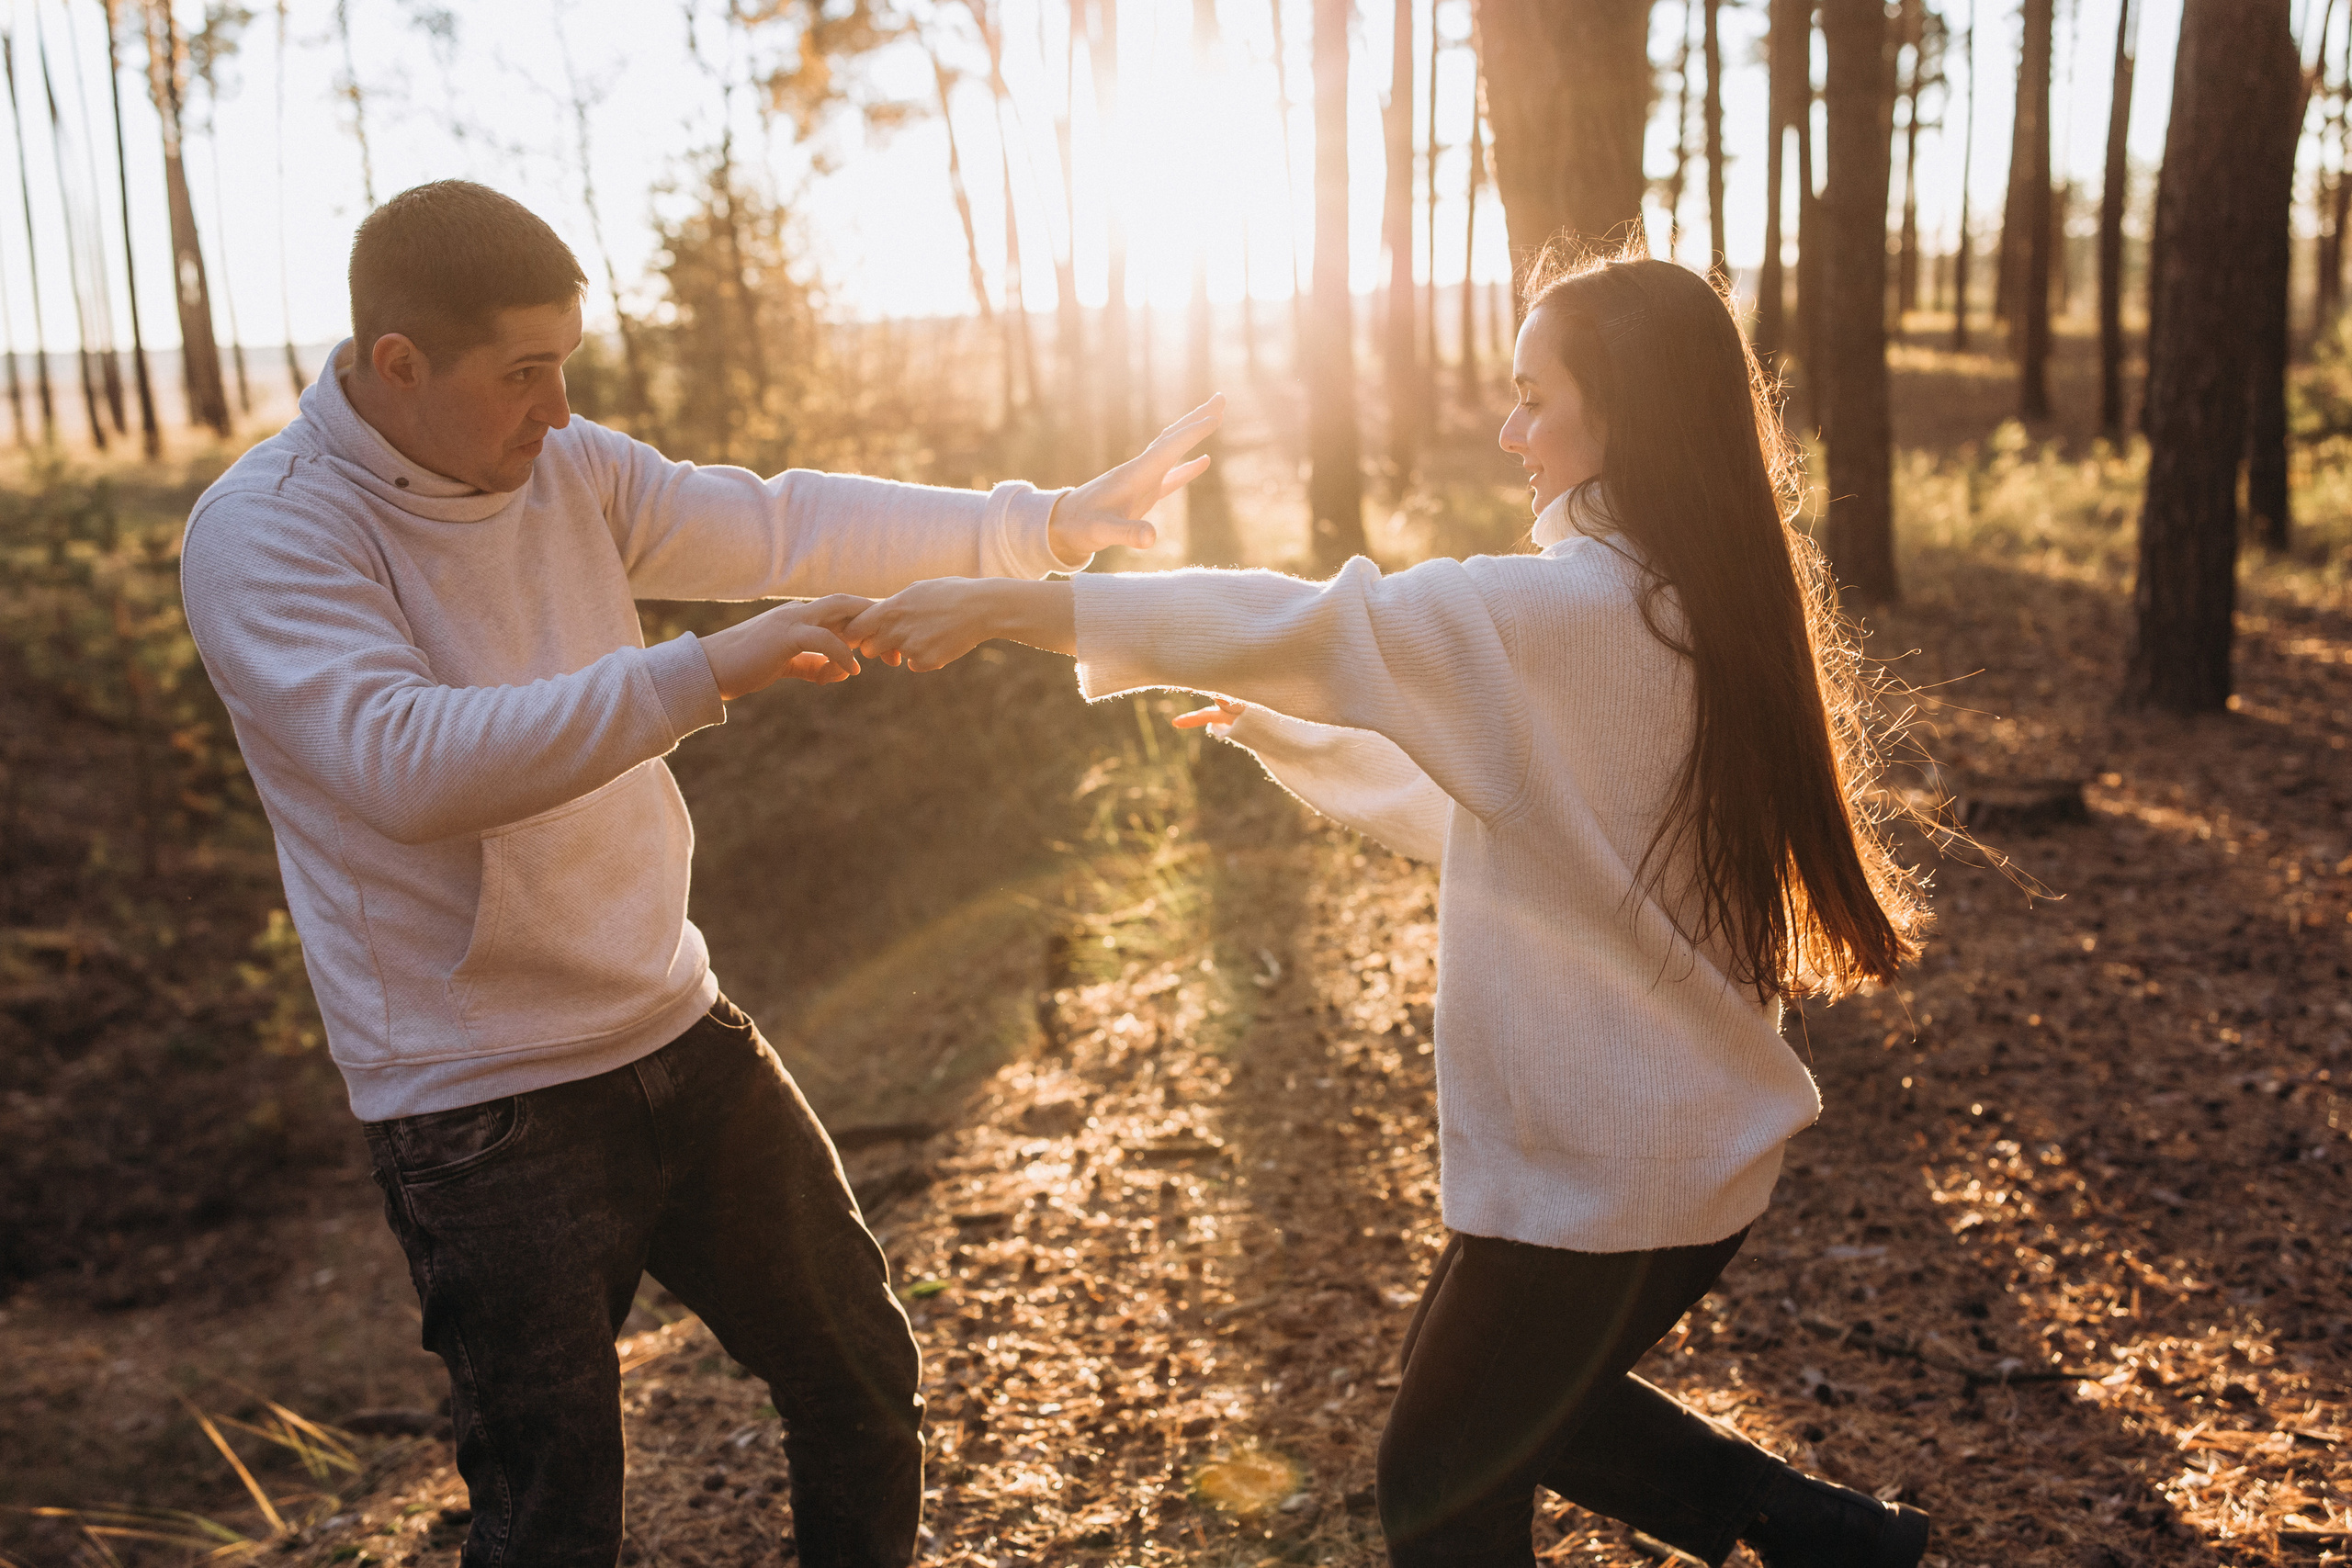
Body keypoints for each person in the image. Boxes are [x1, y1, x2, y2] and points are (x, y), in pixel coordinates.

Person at [842, 250, 1936, 1568]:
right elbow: (1511, 813)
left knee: (1443, 1486)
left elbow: (1314, 618)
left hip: (1610, 1166)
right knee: (1521, 1416)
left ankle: (1822, 1538)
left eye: (1536, 398)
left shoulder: (1571, 606)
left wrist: (1015, 603)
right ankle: (1827, 1539)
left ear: (1625, 419)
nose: (1508, 428)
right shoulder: (1673, 599)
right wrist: (1277, 728)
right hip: (1658, 1149)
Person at [176, 180, 1211, 1568]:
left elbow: (775, 521)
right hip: (478, 1099)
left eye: (567, 371)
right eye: (523, 375)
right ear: (396, 364)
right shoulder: (267, 532)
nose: (555, 414)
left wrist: (1041, 525)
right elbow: (405, 764)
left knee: (857, 1370)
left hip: (675, 1025)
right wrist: (708, 667)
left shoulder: (564, 466)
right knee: (554, 1517)